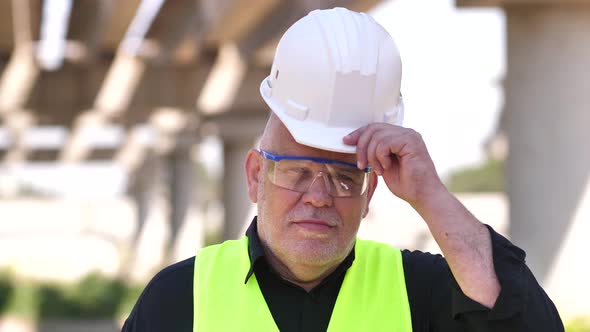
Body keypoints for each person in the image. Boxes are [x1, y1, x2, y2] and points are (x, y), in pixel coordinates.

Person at [122, 7, 563, 332]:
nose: (318, 195)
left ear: (369, 194)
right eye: (296, 171)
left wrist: (432, 196)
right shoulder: (178, 301)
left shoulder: (421, 291)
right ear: (256, 176)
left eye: (345, 177)